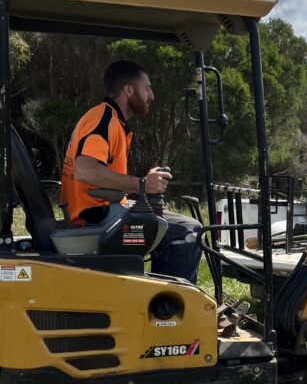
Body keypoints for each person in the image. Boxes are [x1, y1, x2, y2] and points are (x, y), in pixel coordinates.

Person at [60, 60, 203, 284]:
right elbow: (84, 170)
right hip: (95, 220)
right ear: (128, 90)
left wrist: (140, 188)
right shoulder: (103, 119)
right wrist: (142, 185)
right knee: (189, 232)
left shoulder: (111, 121)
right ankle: (169, 308)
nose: (152, 96)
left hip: (104, 214)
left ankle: (156, 298)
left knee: (174, 225)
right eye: (147, 88)